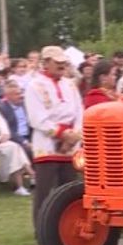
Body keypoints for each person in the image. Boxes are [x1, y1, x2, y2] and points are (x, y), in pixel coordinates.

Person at [25, 46, 83, 226]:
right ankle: (42, 227)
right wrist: (61, 134)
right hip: (46, 144)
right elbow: (37, 118)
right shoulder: (35, 85)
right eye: (57, 62)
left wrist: (75, 134)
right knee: (44, 189)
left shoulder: (70, 85)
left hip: (71, 143)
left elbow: (79, 110)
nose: (61, 65)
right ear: (46, 63)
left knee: (69, 187)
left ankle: (65, 225)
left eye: (63, 62)